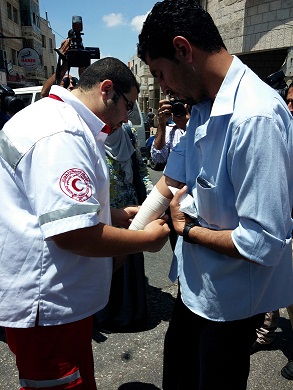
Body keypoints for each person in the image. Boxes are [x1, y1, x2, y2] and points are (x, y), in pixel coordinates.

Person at [136, 0, 293, 388]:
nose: (165, 87)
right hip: (195, 288)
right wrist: (130, 236)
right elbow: (171, 181)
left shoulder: (255, 118)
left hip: (230, 302)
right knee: (178, 374)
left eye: (161, 73)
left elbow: (263, 243)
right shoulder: (203, 106)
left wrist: (185, 230)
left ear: (183, 49)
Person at [0, 57, 170, 390]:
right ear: (107, 90)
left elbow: (50, 206)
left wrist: (115, 216)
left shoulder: (53, 119)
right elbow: (73, 234)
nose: (126, 117)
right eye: (127, 105)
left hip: (53, 298)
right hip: (48, 305)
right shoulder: (61, 134)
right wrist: (146, 241)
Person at [95, 120, 153, 332]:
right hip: (106, 213)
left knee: (131, 265)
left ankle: (130, 316)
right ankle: (104, 315)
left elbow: (141, 169)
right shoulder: (92, 136)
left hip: (132, 212)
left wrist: (151, 199)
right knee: (107, 266)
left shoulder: (127, 132)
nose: (122, 119)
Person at [151, 103, 190, 251]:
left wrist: (189, 123)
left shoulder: (199, 129)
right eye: (176, 110)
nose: (180, 113)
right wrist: (161, 123)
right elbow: (158, 157)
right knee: (176, 243)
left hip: (194, 198)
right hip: (173, 197)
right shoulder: (169, 131)